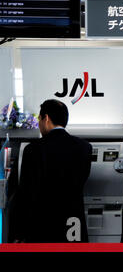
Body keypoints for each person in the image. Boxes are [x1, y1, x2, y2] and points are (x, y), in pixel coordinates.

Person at [6, 99, 92, 242]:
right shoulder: (84, 147)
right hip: (73, 224)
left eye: (39, 119)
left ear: (46, 119)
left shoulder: (33, 149)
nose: (39, 124)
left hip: (42, 226)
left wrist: (18, 233)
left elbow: (26, 193)